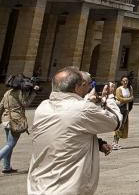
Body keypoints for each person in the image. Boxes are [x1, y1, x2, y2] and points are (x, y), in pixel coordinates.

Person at [27, 67, 121, 195]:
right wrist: (109, 97)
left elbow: (67, 128)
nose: (89, 88)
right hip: (66, 186)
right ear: (79, 86)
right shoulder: (82, 109)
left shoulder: (43, 107)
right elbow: (115, 122)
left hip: (38, 185)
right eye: (87, 85)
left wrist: (97, 143)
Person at [0, 75, 40, 174]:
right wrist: (33, 93)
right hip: (16, 121)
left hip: (6, 120)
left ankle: (6, 167)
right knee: (10, 144)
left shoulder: (7, 92)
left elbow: (1, 106)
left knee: (9, 144)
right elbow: (26, 104)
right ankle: (5, 165)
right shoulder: (20, 93)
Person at [111, 76, 134, 150]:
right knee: (118, 125)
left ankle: (116, 143)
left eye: (126, 80)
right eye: (124, 81)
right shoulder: (119, 89)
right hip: (120, 109)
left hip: (126, 109)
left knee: (122, 126)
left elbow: (131, 97)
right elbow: (120, 98)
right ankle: (114, 143)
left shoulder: (129, 89)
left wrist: (127, 99)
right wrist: (129, 99)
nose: (125, 82)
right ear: (121, 82)